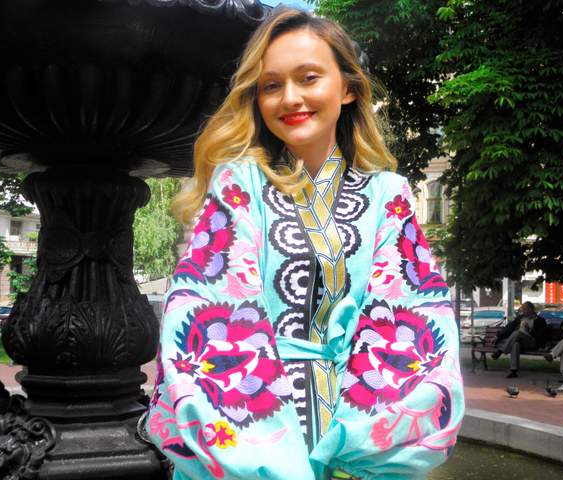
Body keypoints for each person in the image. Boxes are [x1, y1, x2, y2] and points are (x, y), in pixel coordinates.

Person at [144, 8, 464, 480]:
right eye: (271, 85)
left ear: (348, 88)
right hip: (253, 437)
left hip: (356, 429)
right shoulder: (239, 186)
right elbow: (208, 312)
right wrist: (266, 461)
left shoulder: (388, 195)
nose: (290, 98)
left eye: (309, 78)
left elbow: (413, 319)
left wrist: (362, 446)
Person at [490, 301, 548, 378]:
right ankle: (513, 371)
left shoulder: (540, 320)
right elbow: (508, 327)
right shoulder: (520, 318)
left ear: (531, 310)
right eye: (522, 309)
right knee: (515, 344)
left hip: (532, 342)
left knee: (517, 333)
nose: (522, 311)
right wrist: (497, 336)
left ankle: (501, 351)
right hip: (520, 342)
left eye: (524, 309)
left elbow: (541, 335)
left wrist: (529, 330)